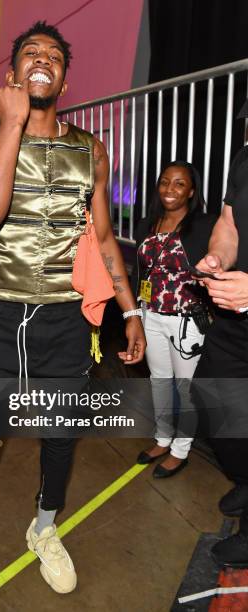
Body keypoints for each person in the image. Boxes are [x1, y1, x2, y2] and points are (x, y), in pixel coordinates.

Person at [0, 21, 146, 592]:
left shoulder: (91, 151)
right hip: (0, 316)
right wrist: (14, 123)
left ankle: (45, 527)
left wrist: (131, 311)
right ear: (12, 76)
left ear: (65, 79)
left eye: (53, 55)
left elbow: (102, 240)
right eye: (31, 53)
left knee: (59, 435)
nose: (43, 59)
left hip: (65, 319)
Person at [133, 161, 216, 477]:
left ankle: (180, 450)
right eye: (165, 182)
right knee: (158, 382)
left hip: (187, 323)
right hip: (150, 314)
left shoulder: (205, 226)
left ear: (191, 191)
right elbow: (137, 272)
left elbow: (219, 267)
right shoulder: (147, 225)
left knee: (185, 389)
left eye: (179, 183)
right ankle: (162, 438)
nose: (170, 189)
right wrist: (135, 315)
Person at [193, 99, 248, 568]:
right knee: (213, 397)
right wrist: (218, 258)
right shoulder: (246, 155)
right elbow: (228, 223)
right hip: (236, 314)